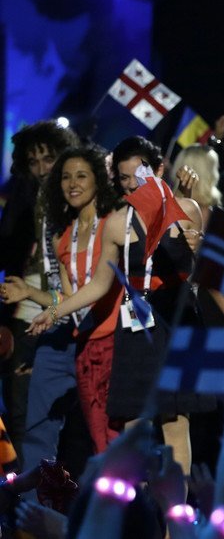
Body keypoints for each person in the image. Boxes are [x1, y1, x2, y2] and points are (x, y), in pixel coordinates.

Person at [25, 136, 206, 472]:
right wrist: (53, 311)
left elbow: (200, 277)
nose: (133, 183)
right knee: (133, 429)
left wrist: (199, 251)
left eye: (139, 173)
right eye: (124, 177)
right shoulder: (117, 222)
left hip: (174, 326)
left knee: (174, 425)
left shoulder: (187, 210)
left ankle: (172, 508)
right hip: (136, 329)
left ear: (159, 169)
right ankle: (135, 503)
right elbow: (99, 283)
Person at [1, 146, 124, 453]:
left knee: (112, 436)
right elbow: (70, 299)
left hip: (115, 341)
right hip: (82, 339)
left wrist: (53, 313)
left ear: (98, 179)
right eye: (66, 177)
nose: (72, 184)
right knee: (48, 429)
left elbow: (101, 286)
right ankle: (39, 485)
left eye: (81, 176)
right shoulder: (62, 237)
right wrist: (31, 294)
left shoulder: (115, 222)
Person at [0, 120, 79, 464]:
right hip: (26, 312)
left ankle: (62, 481)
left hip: (70, 311)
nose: (42, 168)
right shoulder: (22, 200)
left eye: (49, 158)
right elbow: (7, 251)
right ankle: (25, 484)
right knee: (20, 406)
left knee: (65, 410)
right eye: (33, 162)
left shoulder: (78, 199)